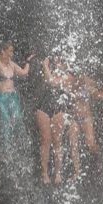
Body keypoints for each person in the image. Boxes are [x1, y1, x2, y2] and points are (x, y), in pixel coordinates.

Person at [36, 55, 81, 184]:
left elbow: (52, 82)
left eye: (59, 61)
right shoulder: (50, 72)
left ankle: (58, 173)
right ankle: (44, 173)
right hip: (43, 106)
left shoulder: (69, 77)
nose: (56, 63)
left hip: (59, 109)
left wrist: (45, 66)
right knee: (45, 140)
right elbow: (47, 81)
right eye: (55, 61)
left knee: (57, 141)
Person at [0, 41, 34, 152]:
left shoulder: (11, 64)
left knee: (17, 119)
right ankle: (6, 148)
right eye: (10, 51)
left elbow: (24, 73)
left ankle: (22, 145)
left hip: (12, 97)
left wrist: (27, 62)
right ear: (3, 52)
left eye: (12, 51)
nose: (11, 54)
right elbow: (4, 74)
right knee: (5, 120)